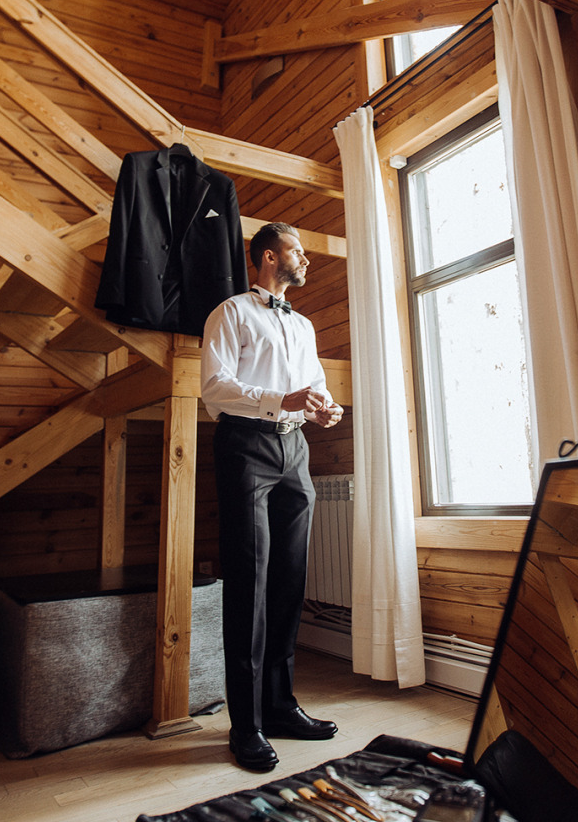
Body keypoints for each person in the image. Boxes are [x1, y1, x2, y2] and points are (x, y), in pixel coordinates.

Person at [200, 222, 344, 772]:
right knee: (249, 580)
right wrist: (279, 398)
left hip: (295, 451)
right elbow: (214, 388)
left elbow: (315, 386)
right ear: (267, 256)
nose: (305, 258)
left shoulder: (303, 324)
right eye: (297, 250)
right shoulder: (230, 313)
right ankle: (246, 725)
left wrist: (324, 408)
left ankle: (281, 707)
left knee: (288, 579)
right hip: (245, 448)